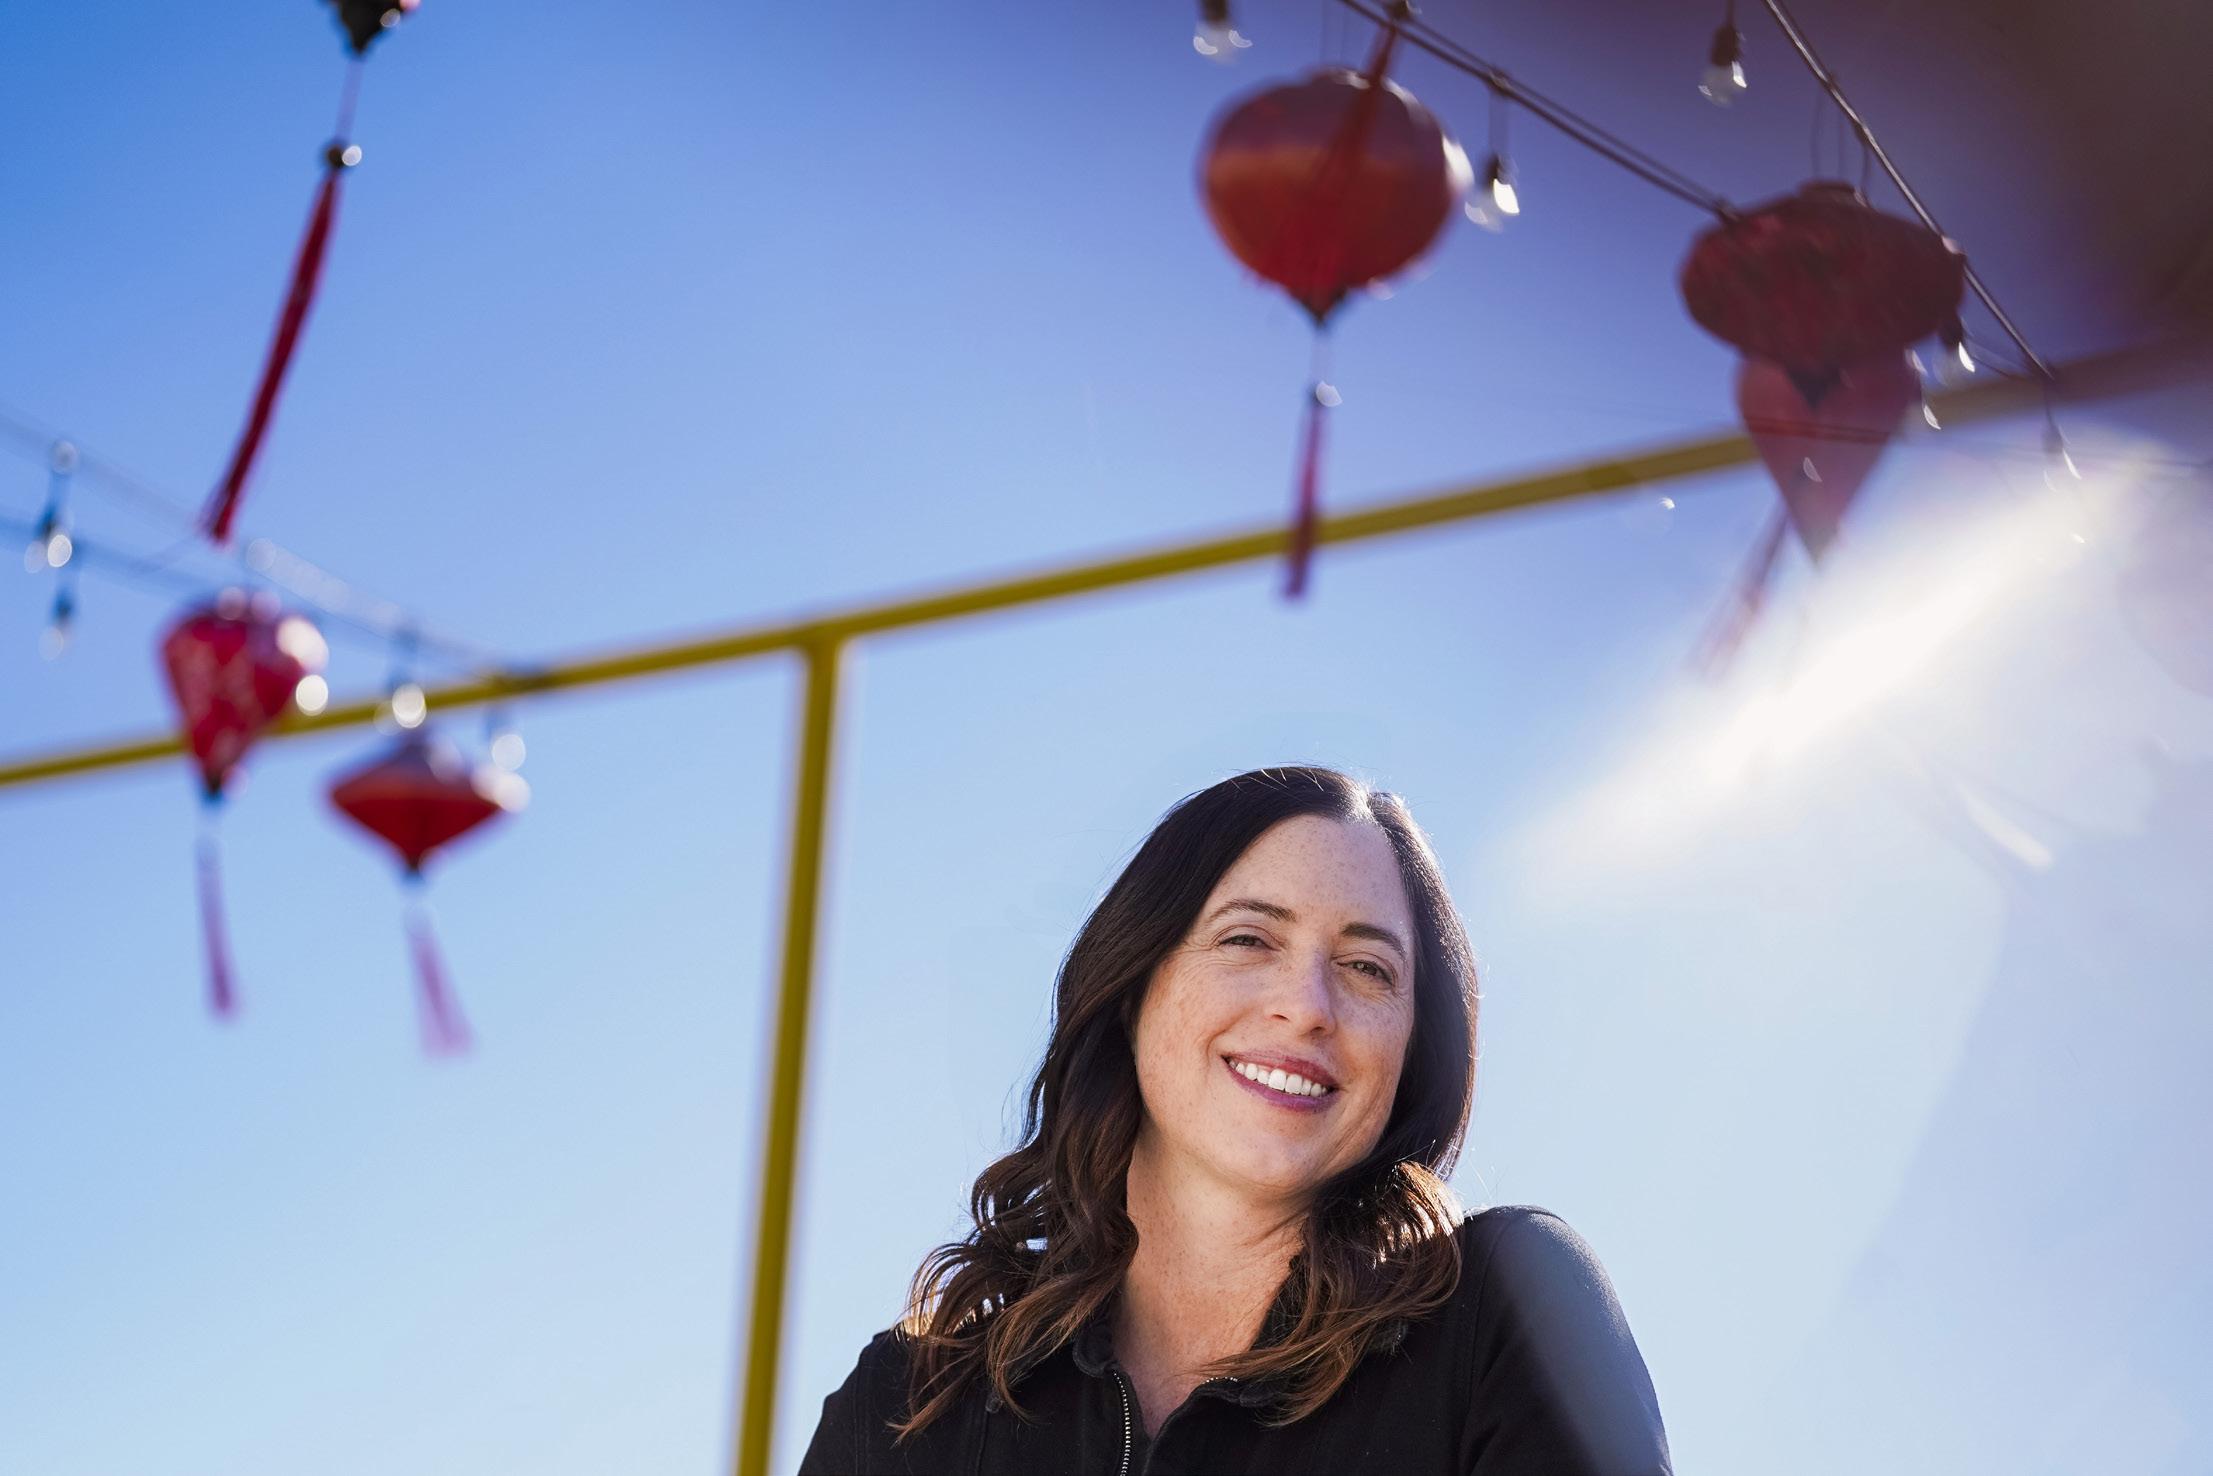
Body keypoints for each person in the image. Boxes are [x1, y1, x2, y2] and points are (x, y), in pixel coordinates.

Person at [800, 766, 1670, 1474]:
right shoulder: (903, 1410)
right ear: (1133, 986)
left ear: (1414, 1050)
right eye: (1248, 939)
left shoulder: (1505, 1313)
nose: (1307, 1006)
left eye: (1366, 968)